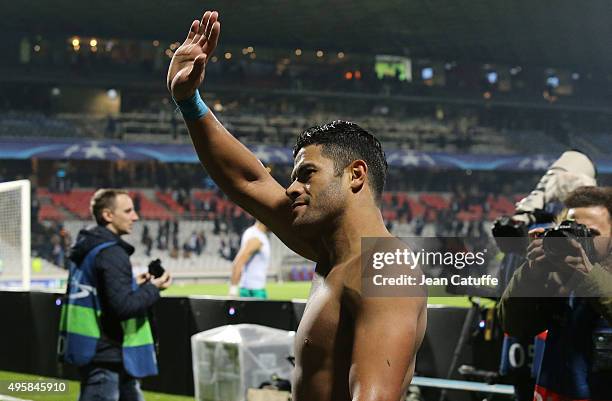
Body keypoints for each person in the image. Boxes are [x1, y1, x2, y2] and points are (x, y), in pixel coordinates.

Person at [167, 11, 426, 401]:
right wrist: (189, 103)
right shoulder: (331, 252)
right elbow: (248, 181)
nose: (291, 189)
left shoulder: (385, 267)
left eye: (306, 174)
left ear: (355, 175)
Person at [498, 186, 612, 401]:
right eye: (574, 230)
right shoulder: (556, 275)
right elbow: (514, 325)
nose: (580, 241)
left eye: (592, 233)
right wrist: (530, 274)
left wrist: (589, 276)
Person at [58, 189, 172, 401]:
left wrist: (132, 283)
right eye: (128, 211)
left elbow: (98, 291)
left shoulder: (88, 248)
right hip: (105, 353)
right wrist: (154, 288)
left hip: (97, 350)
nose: (135, 217)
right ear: (108, 215)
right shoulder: (111, 252)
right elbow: (123, 307)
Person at [228, 220, 271, 299]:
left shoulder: (251, 232)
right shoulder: (257, 237)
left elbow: (238, 260)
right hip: (254, 291)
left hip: (250, 288)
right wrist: (232, 291)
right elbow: (239, 261)